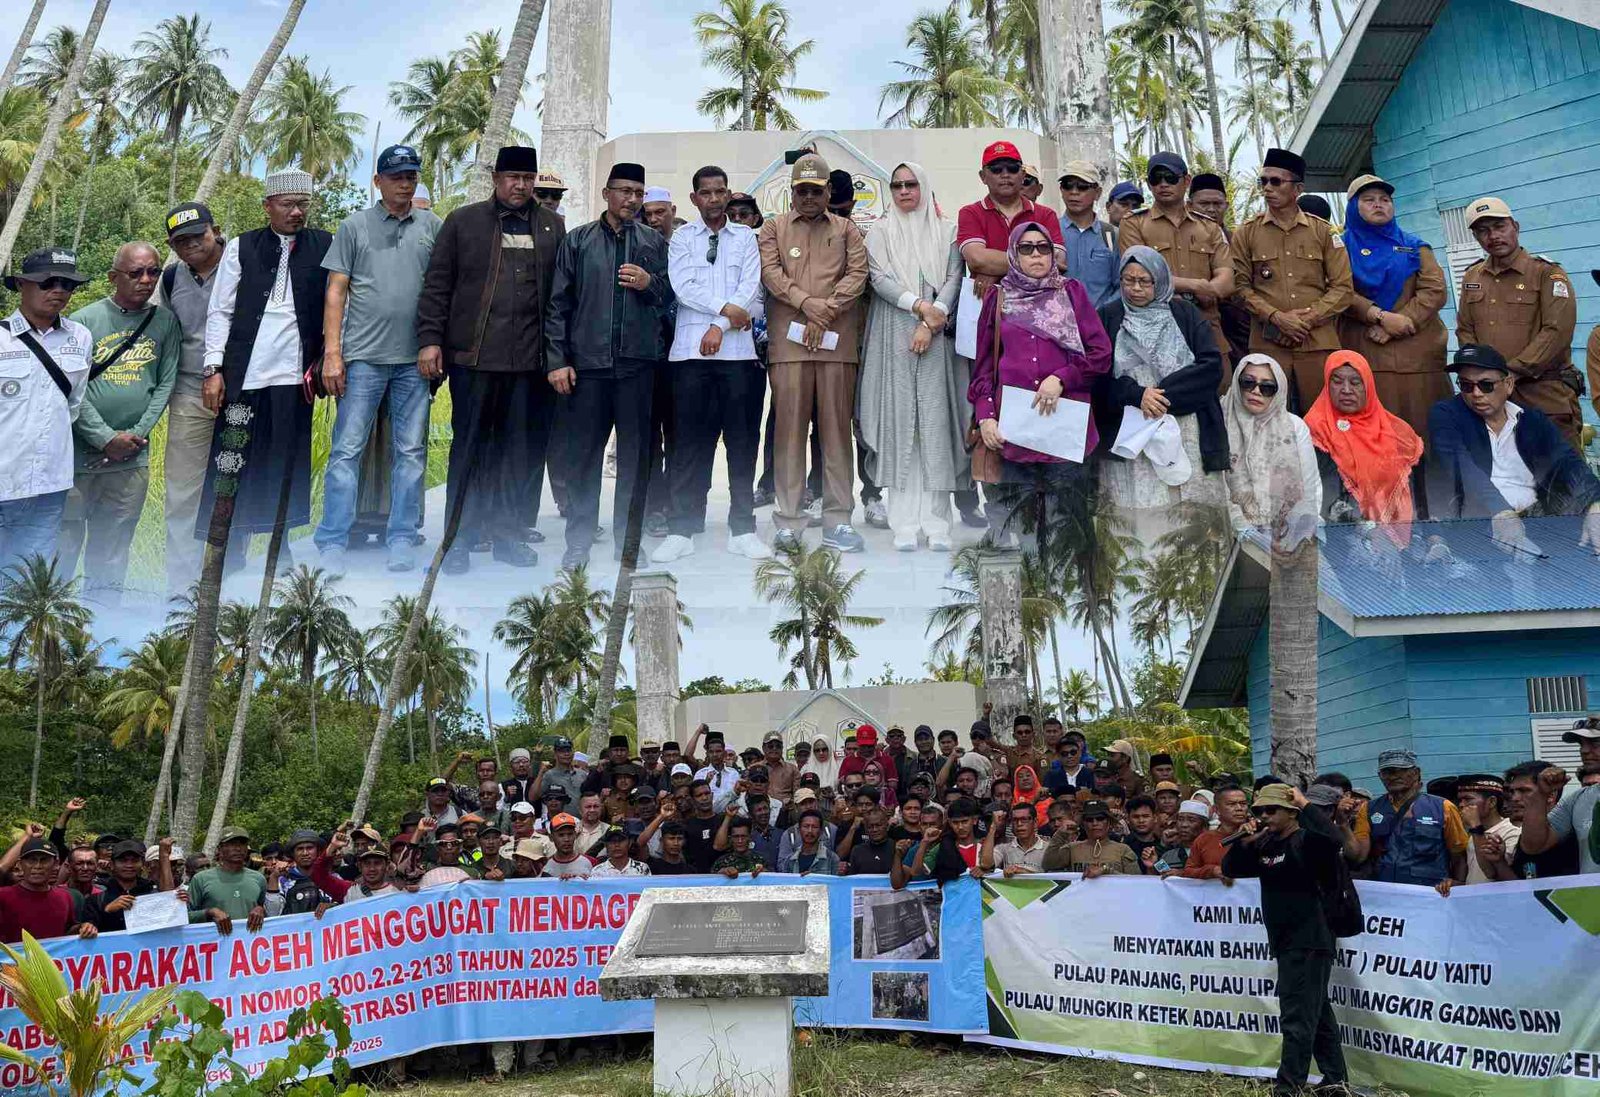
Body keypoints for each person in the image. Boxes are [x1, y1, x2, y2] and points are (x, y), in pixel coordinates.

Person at [421, 145, 560, 574]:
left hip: (530, 365)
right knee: (469, 450)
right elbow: (437, 286)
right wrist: (430, 341)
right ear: (496, 179)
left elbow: (560, 297)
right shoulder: (463, 222)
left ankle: (507, 537)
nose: (521, 185)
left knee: (518, 455)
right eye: (512, 177)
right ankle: (458, 541)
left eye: (528, 178)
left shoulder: (553, 226)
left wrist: (557, 357)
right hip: (474, 360)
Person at [314, 144, 440, 573]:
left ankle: (401, 536)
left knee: (411, 453)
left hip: (414, 362)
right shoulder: (354, 226)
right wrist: (333, 354)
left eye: (411, 176)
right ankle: (332, 539)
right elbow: (336, 291)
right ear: (378, 181)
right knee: (345, 452)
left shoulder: (432, 226)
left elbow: (442, 290)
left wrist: (435, 344)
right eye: (396, 176)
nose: (405, 184)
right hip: (363, 358)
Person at [199, 169, 331, 571]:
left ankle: (280, 545)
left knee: (286, 462)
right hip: (244, 376)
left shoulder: (325, 244)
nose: (296, 212)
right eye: (288, 204)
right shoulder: (242, 247)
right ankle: (229, 546)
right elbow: (220, 310)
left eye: (303, 204)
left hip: (294, 377)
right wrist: (213, 368)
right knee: (233, 457)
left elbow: (338, 304)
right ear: (267, 206)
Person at [547, 161, 673, 569]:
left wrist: (649, 284)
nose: (631, 200)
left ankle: (629, 544)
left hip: (637, 367)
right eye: (624, 191)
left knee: (635, 460)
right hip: (588, 368)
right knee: (584, 458)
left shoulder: (654, 242)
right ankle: (578, 542)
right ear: (606, 193)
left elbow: (671, 298)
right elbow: (558, 304)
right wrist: (558, 360)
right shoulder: (578, 241)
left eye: (638, 193)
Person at [969, 222, 1112, 548]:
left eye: (1043, 247)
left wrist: (1062, 378)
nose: (1036, 255)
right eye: (1026, 248)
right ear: (1013, 254)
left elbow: (1101, 354)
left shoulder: (1071, 292)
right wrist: (986, 416)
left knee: (1067, 530)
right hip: (1014, 433)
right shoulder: (999, 297)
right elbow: (983, 368)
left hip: (1064, 430)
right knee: (1024, 530)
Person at [655, 165, 769, 564]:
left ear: (728, 193)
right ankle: (682, 529)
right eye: (706, 193)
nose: (714, 199)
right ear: (694, 199)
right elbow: (683, 287)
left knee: (742, 442)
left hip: (737, 355)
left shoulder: (745, 238)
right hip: (690, 354)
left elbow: (750, 287)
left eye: (720, 192)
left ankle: (743, 528)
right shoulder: (682, 239)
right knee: (688, 444)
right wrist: (725, 311)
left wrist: (719, 326)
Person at [757, 152, 870, 553]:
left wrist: (826, 311)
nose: (808, 197)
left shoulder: (847, 230)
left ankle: (839, 520)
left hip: (836, 344)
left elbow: (858, 275)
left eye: (816, 190)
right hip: (789, 346)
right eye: (802, 190)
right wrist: (808, 304)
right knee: (788, 433)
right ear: (792, 191)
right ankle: (789, 522)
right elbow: (771, 274)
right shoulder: (773, 228)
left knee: (837, 433)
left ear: (828, 192)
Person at [55, 242, 178, 602]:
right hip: (80, 460)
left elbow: (166, 383)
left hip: (131, 461)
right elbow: (72, 389)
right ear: (113, 277)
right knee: (63, 547)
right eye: (136, 273)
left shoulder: (165, 322)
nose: (146, 280)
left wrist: (134, 437)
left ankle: (103, 619)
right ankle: (51, 624)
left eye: (153, 272)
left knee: (112, 551)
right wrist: (105, 438)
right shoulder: (83, 321)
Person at [859, 162, 965, 552]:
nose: (904, 191)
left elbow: (954, 277)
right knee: (899, 423)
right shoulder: (880, 231)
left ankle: (937, 524)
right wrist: (922, 308)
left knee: (934, 424)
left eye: (911, 184)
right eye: (897, 185)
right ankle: (903, 523)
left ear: (924, 187)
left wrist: (935, 316)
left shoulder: (947, 230)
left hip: (937, 333)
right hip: (894, 330)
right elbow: (879, 278)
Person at [1222, 784, 1349, 1097]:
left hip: (1310, 940)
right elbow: (1231, 868)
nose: (1264, 816)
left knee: (1296, 1017)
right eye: (1259, 811)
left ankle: (1288, 1087)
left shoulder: (1307, 841)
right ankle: (1336, 1082)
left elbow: (1335, 840)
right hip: (1285, 940)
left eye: (1271, 810)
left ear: (1291, 813)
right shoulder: (1266, 843)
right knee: (1317, 1014)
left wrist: (1306, 804)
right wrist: (1244, 840)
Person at [1094, 246, 1229, 525]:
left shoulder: (1184, 313)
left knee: (1191, 515)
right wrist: (1137, 395)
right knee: (1140, 516)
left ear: (1161, 280)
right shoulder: (1108, 315)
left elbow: (1211, 365)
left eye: (1145, 281)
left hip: (1187, 421)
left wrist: (1160, 396)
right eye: (1128, 280)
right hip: (1133, 425)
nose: (1136, 288)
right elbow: (1097, 375)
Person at [1425, 344, 1600, 537]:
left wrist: (1595, 503)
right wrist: (1501, 511)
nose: (1476, 393)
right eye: (1466, 385)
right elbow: (1461, 466)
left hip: (1539, 519)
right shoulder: (1447, 415)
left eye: (1486, 385)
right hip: (1478, 525)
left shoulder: (1530, 420)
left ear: (1508, 384)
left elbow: (1567, 461)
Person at [1455, 196, 1583, 453]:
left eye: (1499, 226)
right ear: (1476, 237)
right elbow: (1465, 329)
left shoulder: (1547, 273)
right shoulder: (1472, 276)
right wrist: (1482, 375)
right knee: (1506, 471)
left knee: (1560, 471)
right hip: (1492, 399)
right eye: (1483, 230)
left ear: (1515, 226)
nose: (1493, 236)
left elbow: (1557, 332)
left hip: (1543, 395)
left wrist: (1509, 373)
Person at [1229, 149, 1354, 409]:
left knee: (1323, 414)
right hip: (1268, 342)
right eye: (1263, 181)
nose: (1267, 188)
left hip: (1317, 341)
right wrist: (1277, 318)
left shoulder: (1323, 232)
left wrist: (1305, 320)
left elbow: (1343, 288)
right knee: (1266, 415)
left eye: (1276, 181)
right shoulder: (1246, 233)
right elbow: (1239, 287)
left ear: (1298, 189)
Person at [1336, 175, 1449, 436]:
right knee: (1377, 433)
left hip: (1418, 357)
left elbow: (1434, 290)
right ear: (1353, 207)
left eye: (1385, 200)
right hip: (1366, 353)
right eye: (1369, 200)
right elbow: (1339, 291)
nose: (1379, 204)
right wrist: (1379, 316)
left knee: (1426, 432)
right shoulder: (1339, 249)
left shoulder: (1415, 247)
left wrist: (1401, 321)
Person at [0, 248, 92, 568]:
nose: (58, 290)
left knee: (29, 578)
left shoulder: (80, 338)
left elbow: (72, 405)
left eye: (67, 284)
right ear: (21, 284)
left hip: (50, 484)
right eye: (47, 282)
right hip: (3, 477)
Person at [157, 204, 226, 593]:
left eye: (198, 235)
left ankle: (231, 583)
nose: (191, 245)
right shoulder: (171, 279)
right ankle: (181, 589)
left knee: (237, 488)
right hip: (189, 394)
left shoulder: (243, 266)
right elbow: (166, 334)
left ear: (215, 230)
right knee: (183, 493)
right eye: (181, 241)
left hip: (241, 396)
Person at [1117, 152, 1234, 376]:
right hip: (1156, 328)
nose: (1163, 184)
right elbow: (1138, 275)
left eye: (1170, 177)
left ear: (1186, 181)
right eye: (1156, 178)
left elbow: (1227, 280)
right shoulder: (1134, 223)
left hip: (1206, 324)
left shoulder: (1208, 227)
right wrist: (1197, 286)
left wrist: (1208, 290)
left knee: (1220, 388)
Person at [1305, 349, 1423, 539]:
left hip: (1405, 533)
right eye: (1337, 381)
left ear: (1368, 385)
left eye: (1355, 382)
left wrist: (1430, 538)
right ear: (1327, 385)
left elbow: (1419, 491)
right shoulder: (1314, 430)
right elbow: (1326, 492)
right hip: (1341, 533)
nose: (1346, 390)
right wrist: (1368, 531)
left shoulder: (1399, 432)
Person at [1222, 354, 1321, 546]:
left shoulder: (1293, 427)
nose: (1256, 391)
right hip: (1229, 531)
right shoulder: (1219, 422)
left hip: (1286, 532)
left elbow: (1308, 487)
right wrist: (1246, 531)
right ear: (1236, 383)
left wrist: (1299, 534)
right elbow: (1216, 487)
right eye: (1248, 383)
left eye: (1267, 387)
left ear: (1279, 390)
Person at [957, 140, 1065, 300]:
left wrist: (994, 272)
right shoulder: (970, 213)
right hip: (986, 304)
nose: (1005, 174)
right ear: (983, 176)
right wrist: (1034, 262)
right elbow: (977, 259)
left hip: (1038, 304)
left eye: (1012, 168)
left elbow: (1057, 261)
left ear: (1022, 174)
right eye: (996, 169)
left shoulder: (1046, 215)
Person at [1362, 748, 1468, 887]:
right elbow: (1359, 855)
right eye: (1387, 772)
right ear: (1379, 776)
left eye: (1401, 770)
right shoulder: (1368, 809)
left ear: (1416, 773)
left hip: (1429, 892)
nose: (1393, 776)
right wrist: (1343, 825)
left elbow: (1459, 855)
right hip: (1384, 891)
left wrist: (1458, 886)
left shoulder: (1443, 807)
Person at [1514, 718, 1600, 875]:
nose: (1584, 750)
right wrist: (1540, 794)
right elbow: (1533, 846)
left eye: (1595, 743)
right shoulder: (1577, 800)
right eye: (1581, 744)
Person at [1055, 160, 1119, 309]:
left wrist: (1104, 314)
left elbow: (1121, 284)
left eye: (1082, 186)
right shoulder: (1050, 232)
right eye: (1068, 185)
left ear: (1097, 193)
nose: (1074, 192)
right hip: (1058, 320)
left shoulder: (1111, 235)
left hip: (1101, 320)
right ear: (1061, 190)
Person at [187, 827, 267, 934]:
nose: (238, 848)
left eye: (242, 843)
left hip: (248, 941)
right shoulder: (201, 879)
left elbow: (267, 911)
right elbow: (185, 917)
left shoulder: (259, 878)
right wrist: (209, 912)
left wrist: (260, 909)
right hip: (214, 941)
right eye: (232, 844)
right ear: (220, 849)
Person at [1041, 799, 1137, 875]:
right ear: (1083, 823)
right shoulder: (1072, 848)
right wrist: (1060, 834)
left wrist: (1107, 870)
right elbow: (1048, 864)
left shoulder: (1123, 850)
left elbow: (1136, 882)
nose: (1095, 823)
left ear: (1109, 822)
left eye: (1100, 818)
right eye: (1089, 820)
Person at [983, 801, 1047, 874]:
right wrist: (993, 826)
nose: (1019, 824)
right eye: (1015, 820)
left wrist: (1026, 873)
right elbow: (986, 865)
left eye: (1024, 819)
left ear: (1035, 822)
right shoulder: (1004, 847)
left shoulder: (1048, 848)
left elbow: (1055, 877)